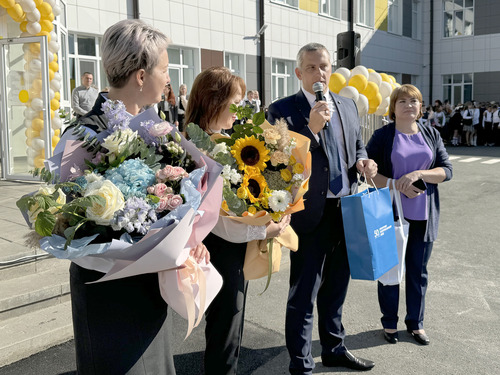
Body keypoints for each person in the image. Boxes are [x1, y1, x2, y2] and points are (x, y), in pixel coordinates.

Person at [65, 19, 210, 375]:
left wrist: (189, 241)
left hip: (151, 285)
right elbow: (66, 222)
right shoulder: (80, 136)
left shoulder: (156, 129)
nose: (168, 79)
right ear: (141, 77)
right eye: (164, 69)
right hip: (108, 291)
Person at [267, 43, 378, 374]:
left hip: (346, 210)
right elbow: (275, 162)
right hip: (308, 212)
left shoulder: (346, 104)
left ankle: (333, 348)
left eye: (325, 66)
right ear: (299, 72)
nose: (320, 73)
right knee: (304, 293)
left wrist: (364, 161)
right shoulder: (280, 110)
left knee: (336, 289)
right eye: (312, 68)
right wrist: (309, 130)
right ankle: (300, 364)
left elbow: (356, 145)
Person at [185, 66, 291, 375]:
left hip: (229, 247)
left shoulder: (219, 142)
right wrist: (265, 227)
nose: (240, 109)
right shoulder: (201, 148)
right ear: (213, 102)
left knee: (228, 329)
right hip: (217, 249)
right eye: (235, 101)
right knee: (224, 329)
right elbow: (218, 221)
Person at [365, 84, 453, 346]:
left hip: (424, 215)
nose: (408, 105)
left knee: (418, 271)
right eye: (402, 101)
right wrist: (395, 184)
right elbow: (367, 171)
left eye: (413, 101)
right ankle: (389, 323)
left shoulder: (431, 134)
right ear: (393, 108)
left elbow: (446, 170)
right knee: (390, 269)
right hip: (390, 212)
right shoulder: (382, 136)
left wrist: (419, 175)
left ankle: (416, 324)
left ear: (420, 107)